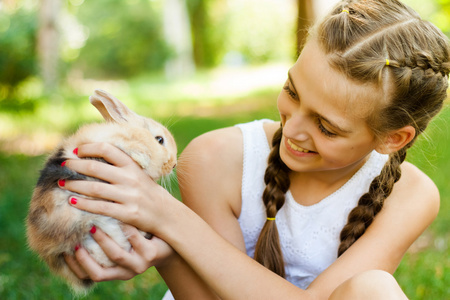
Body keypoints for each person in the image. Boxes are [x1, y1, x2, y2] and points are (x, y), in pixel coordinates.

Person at [61, 0, 450, 298]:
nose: (293, 129)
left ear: (393, 138)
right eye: (292, 92)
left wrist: (168, 217)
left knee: (373, 289)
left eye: (326, 127)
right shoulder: (216, 158)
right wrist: (167, 252)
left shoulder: (410, 195)